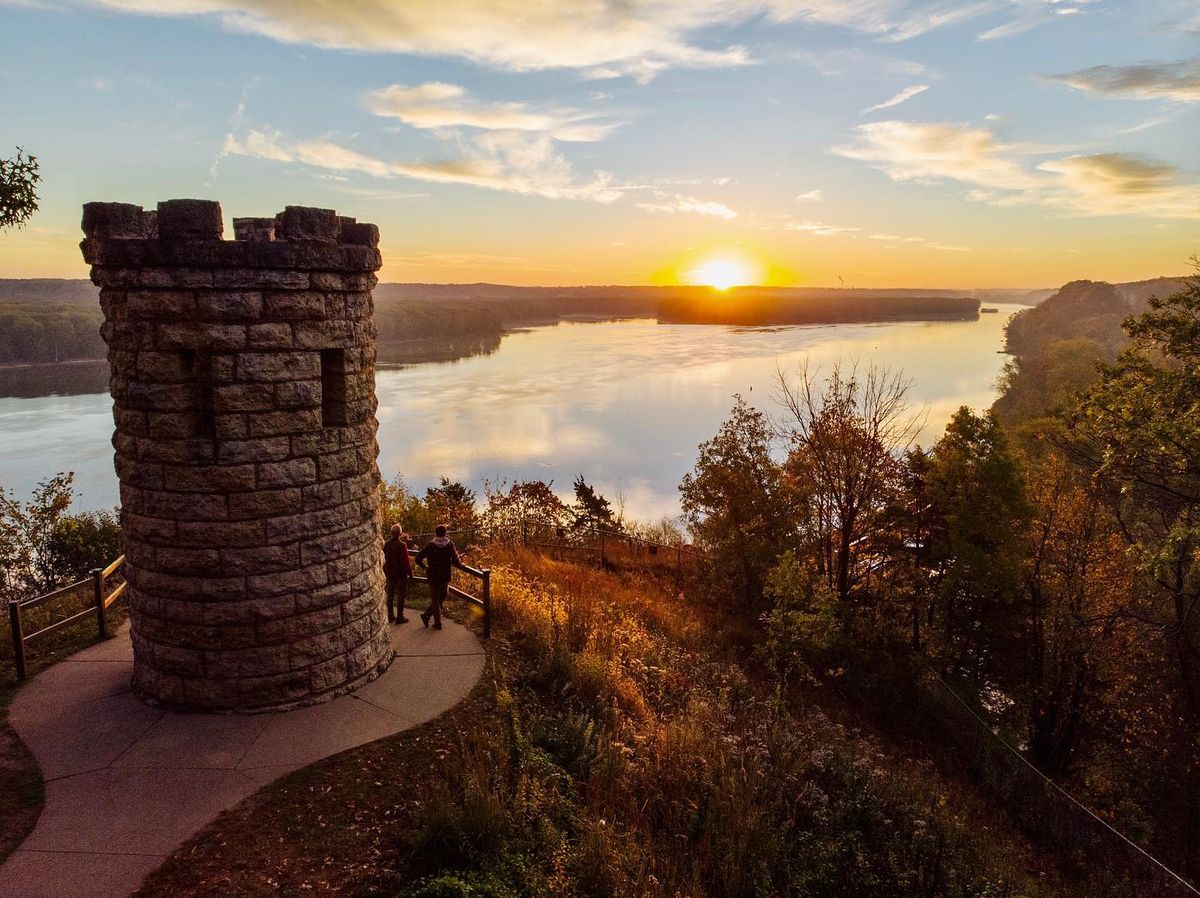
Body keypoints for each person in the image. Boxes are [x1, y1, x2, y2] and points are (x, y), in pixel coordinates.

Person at [415, 524, 463, 630]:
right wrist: (461, 565)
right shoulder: (450, 545)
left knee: (436, 599)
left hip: (433, 576)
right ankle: (437, 623)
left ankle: (428, 615)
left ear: (436, 534)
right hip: (444, 575)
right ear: (445, 533)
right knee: (442, 596)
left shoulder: (430, 545)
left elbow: (418, 557)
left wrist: (425, 567)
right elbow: (455, 560)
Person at [382, 523, 413, 624]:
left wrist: (384, 570)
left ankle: (390, 616)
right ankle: (400, 617)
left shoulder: (386, 544)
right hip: (401, 573)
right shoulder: (402, 545)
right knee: (401, 596)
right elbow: (406, 561)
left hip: (390, 573)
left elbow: (383, 558)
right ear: (400, 533)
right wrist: (410, 573)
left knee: (390, 594)